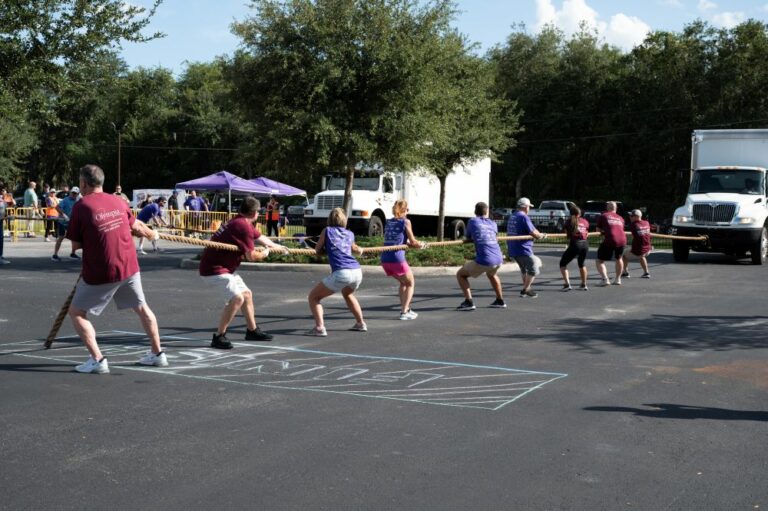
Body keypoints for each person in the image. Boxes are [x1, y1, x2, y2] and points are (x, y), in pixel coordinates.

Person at [66, 164, 169, 373]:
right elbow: (137, 226)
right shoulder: (118, 201)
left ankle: (97, 360)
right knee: (141, 307)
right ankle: (158, 354)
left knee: (76, 312)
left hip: (102, 270)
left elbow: (76, 247)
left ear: (84, 183)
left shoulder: (81, 206)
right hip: (129, 266)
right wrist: (152, 234)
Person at [199, 196, 287, 349]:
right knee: (237, 298)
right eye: (258, 211)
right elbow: (251, 256)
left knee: (247, 294)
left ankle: (252, 331)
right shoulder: (242, 226)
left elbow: (260, 237)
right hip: (214, 269)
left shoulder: (241, 221)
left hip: (225, 268)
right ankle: (219, 336)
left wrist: (277, 247)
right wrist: (266, 254)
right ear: (254, 213)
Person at [307, 208, 366, 336]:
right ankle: (360, 323)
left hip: (342, 272)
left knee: (314, 297)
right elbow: (354, 249)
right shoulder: (349, 234)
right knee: (348, 294)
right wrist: (360, 250)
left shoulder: (327, 231)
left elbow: (317, 250)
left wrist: (326, 251)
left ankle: (319, 328)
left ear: (330, 219)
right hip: (356, 271)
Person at [456, 202, 507, 310]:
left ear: (475, 212)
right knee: (492, 275)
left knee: (460, 274)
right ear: (487, 211)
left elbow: (467, 236)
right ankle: (500, 300)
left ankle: (469, 302)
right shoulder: (493, 223)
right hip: (498, 258)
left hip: (485, 260)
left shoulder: (472, 221)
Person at [381, 200, 426, 320]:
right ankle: (404, 312)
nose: (408, 211)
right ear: (404, 210)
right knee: (410, 283)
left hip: (385, 258)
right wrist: (420, 245)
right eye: (407, 209)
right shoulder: (406, 221)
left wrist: (410, 243)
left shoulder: (388, 222)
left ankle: (406, 309)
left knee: (403, 283)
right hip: (396, 258)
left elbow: (395, 239)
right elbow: (413, 241)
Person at [506, 197, 547, 298]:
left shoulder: (513, 216)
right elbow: (533, 232)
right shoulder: (523, 217)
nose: (529, 209)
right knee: (533, 268)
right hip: (523, 248)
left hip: (513, 247)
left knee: (524, 269)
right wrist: (541, 236)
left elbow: (533, 229)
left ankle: (525, 289)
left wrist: (539, 233)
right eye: (529, 206)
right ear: (525, 207)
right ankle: (526, 289)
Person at [595, 201, 628, 286]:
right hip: (622, 239)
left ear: (607, 208)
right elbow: (619, 229)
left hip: (611, 239)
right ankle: (618, 279)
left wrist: (603, 232)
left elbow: (598, 230)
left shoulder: (604, 215)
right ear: (616, 209)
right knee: (619, 258)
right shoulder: (621, 218)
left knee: (599, 260)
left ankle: (605, 279)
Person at [559, 205, 590, 291]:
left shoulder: (569, 221)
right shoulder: (585, 221)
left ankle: (567, 284)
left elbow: (566, 233)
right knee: (582, 264)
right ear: (579, 213)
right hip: (585, 244)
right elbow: (586, 232)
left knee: (563, 264)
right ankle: (584, 284)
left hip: (575, 244)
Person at [52, 187, 81, 261]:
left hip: (71, 222)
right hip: (62, 222)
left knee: (73, 238)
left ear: (77, 194)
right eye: (72, 193)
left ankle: (72, 254)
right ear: (70, 192)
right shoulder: (66, 200)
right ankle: (55, 255)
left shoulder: (78, 200)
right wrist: (64, 215)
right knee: (61, 237)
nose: (73, 194)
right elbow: (57, 207)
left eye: (75, 193)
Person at [622, 209, 652, 279]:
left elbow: (632, 237)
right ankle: (646, 272)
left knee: (623, 255)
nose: (630, 217)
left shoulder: (633, 224)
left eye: (631, 216)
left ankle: (625, 273)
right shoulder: (646, 223)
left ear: (636, 216)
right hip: (648, 249)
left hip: (639, 250)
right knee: (642, 256)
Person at [0, 186, 8, 264]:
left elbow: (12, 204)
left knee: (1, 239)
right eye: (3, 191)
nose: (5, 192)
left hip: (1, 221)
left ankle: (0, 256)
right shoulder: (1, 200)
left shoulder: (3, 200)